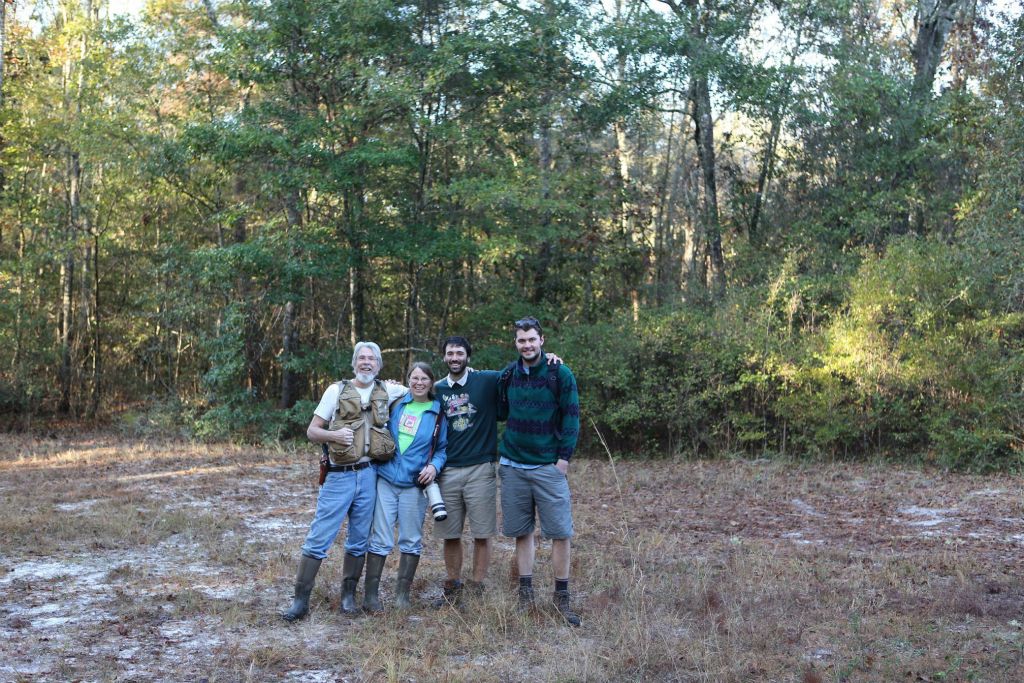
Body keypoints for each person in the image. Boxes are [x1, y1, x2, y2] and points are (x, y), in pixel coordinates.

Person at [282, 341, 408, 622]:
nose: (366, 363)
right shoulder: (335, 391)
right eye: (361, 358)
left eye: (371, 359)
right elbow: (312, 431)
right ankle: (300, 602)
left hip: (370, 475)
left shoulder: (389, 391)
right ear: (354, 363)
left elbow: (423, 391)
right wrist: (334, 436)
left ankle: (348, 597)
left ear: (379, 365)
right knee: (319, 538)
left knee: (358, 540)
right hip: (338, 477)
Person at [432, 336, 561, 607]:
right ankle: (453, 586)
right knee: (450, 534)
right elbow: (413, 394)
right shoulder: (437, 389)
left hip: (481, 467)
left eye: (459, 353)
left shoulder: (487, 380)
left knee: (482, 532)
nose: (454, 358)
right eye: (449, 354)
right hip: (447, 470)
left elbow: (523, 365)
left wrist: (551, 359)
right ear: (443, 357)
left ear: (468, 356)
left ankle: (477, 586)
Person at [499, 317, 581, 626]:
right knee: (522, 532)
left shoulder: (560, 373)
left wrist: (563, 460)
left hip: (548, 467)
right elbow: (499, 408)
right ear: (516, 343)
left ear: (542, 340)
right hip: (513, 466)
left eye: (532, 339)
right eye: (521, 340)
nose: (527, 345)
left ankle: (561, 600)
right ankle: (526, 595)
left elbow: (572, 417)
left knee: (560, 533)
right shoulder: (509, 375)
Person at [364, 362, 448, 611]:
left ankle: (402, 596)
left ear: (431, 382)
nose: (419, 383)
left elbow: (442, 449)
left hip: (414, 485)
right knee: (380, 538)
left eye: (424, 379)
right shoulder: (397, 403)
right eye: (414, 378)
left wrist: (434, 466)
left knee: (411, 540)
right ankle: (371, 596)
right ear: (408, 380)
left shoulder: (437, 413)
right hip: (386, 479)